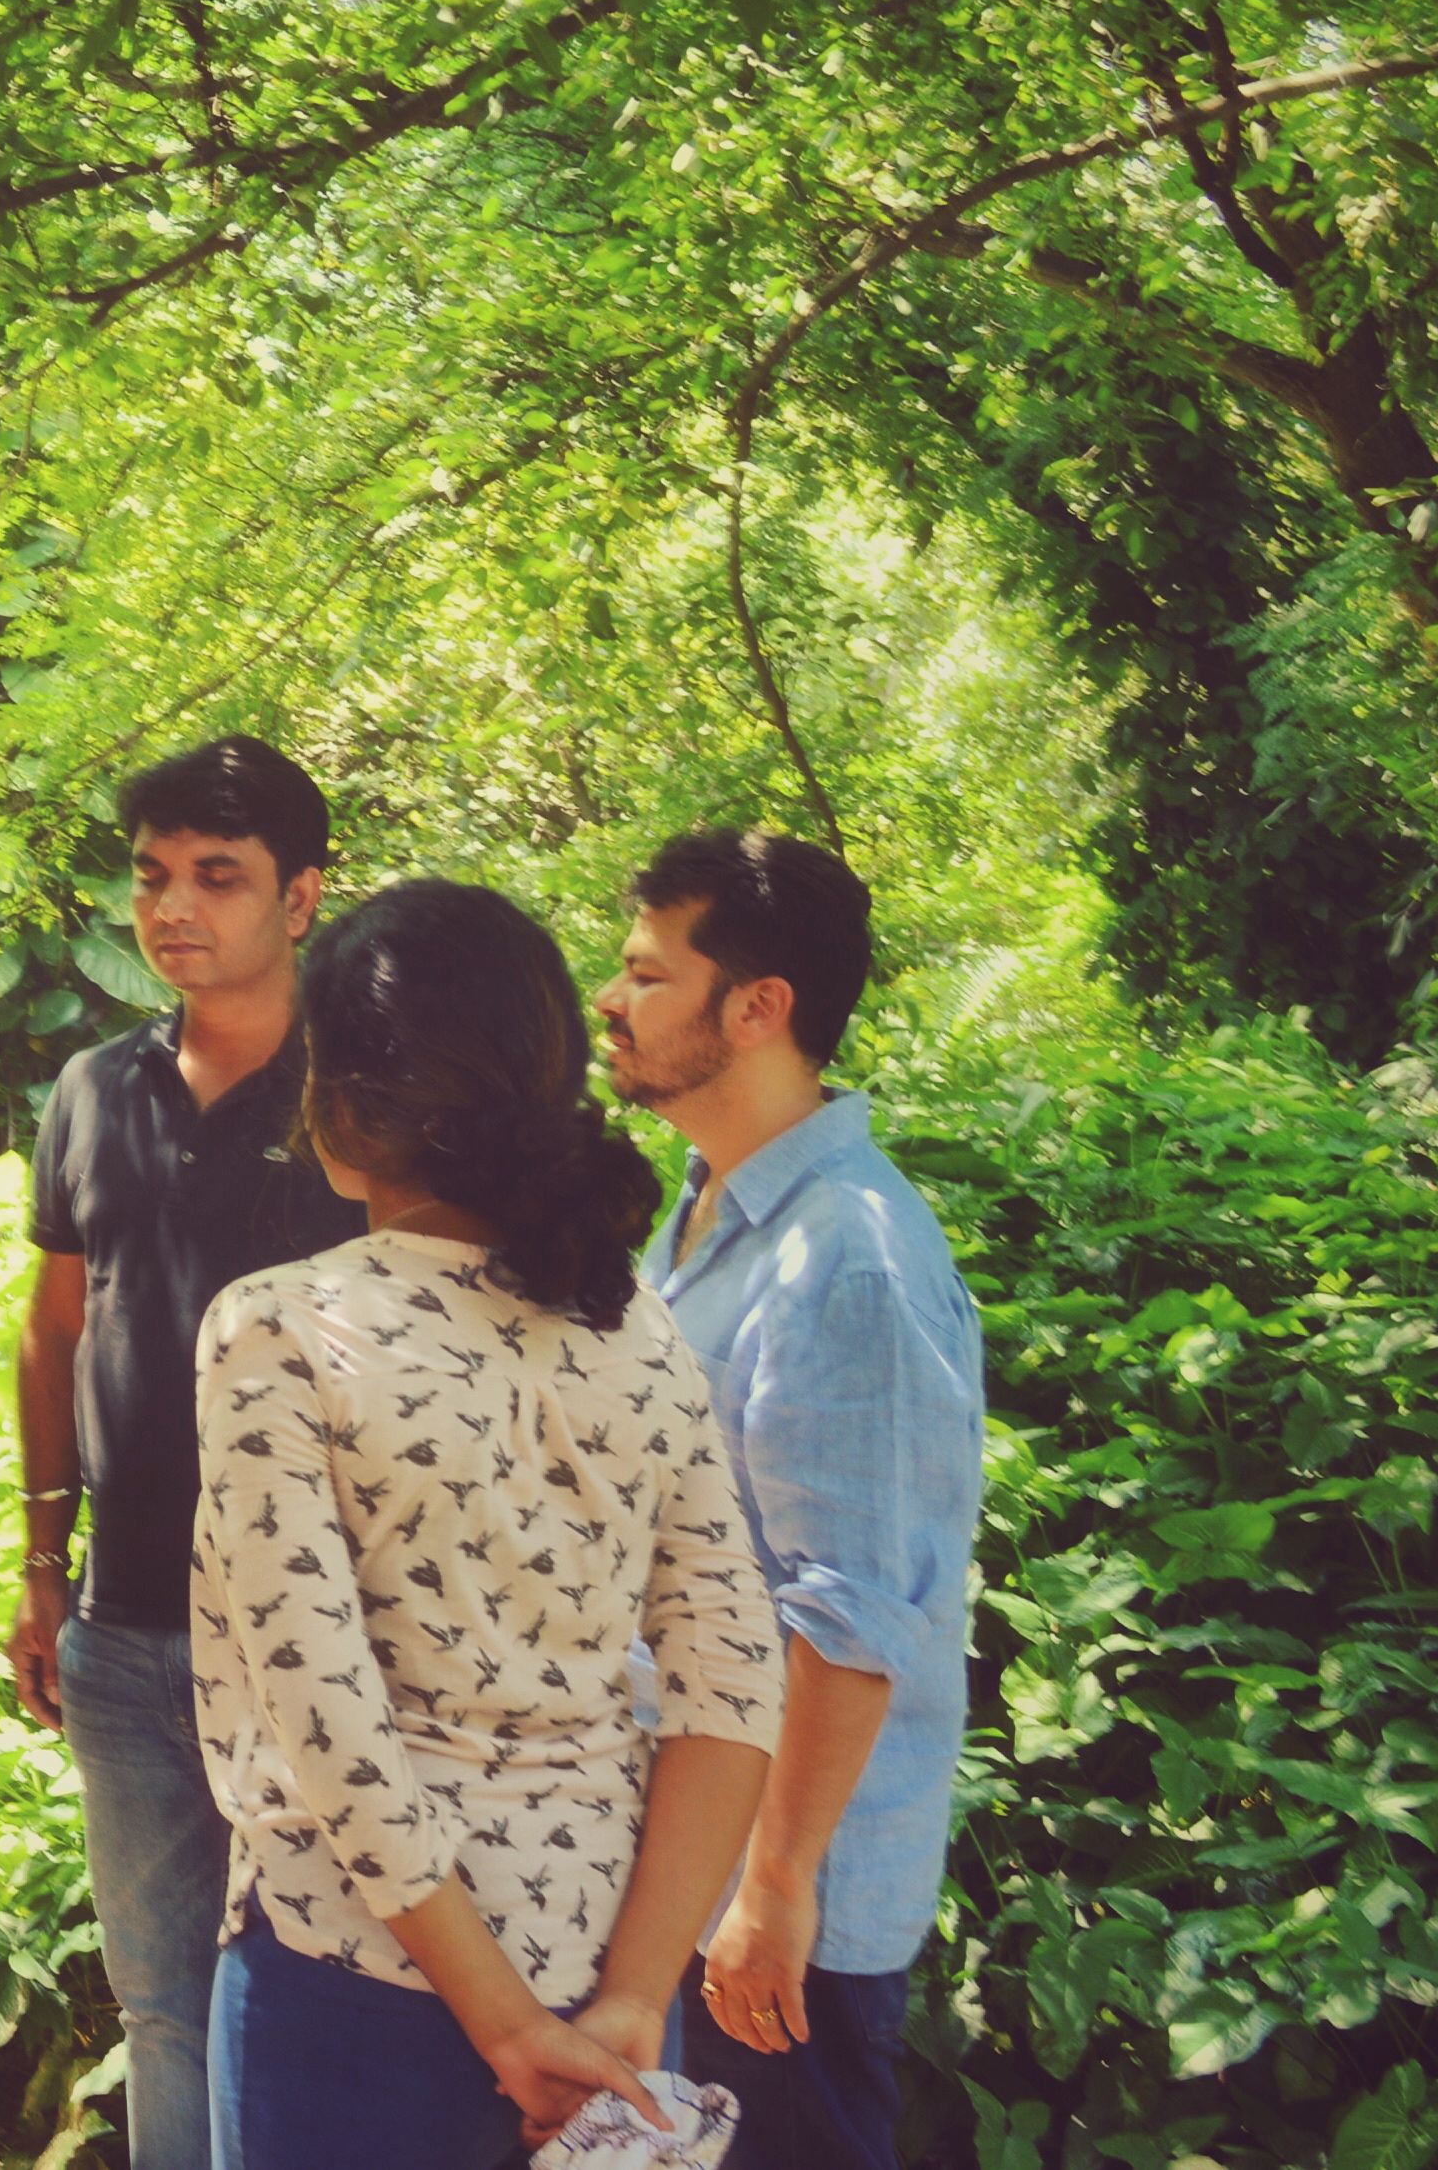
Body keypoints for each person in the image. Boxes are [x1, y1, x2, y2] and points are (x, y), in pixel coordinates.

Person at [190, 878, 780, 2168]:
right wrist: (635, 1998)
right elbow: (734, 1672)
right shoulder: (637, 1331)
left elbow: (330, 1720)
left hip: (356, 1989)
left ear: (338, 1098)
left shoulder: (278, 1327)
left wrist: (507, 2026)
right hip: (609, 1996)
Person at [596, 830, 984, 2170]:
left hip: (778, 1909)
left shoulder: (849, 1256)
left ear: (759, 1005)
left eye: (648, 973)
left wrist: (772, 1881)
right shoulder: (706, 1208)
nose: (611, 998)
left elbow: (851, 1607)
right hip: (680, 1868)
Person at [11, 735, 364, 2170]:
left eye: (218, 875)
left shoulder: (370, 1094)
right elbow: (55, 1325)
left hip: (329, 1639)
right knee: (163, 2006)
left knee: (330, 2001)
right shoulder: (95, 1087)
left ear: (302, 895)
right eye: (153, 874)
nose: (171, 906)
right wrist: (42, 1561)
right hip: (128, 1628)